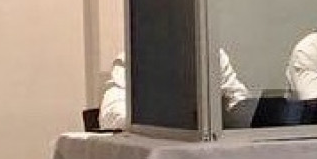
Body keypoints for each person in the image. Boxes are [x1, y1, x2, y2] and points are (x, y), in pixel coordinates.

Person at [98, 49, 252, 129]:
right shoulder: (134, 57)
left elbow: (239, 101)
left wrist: (236, 114)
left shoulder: (212, 54)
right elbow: (110, 116)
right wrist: (165, 119)